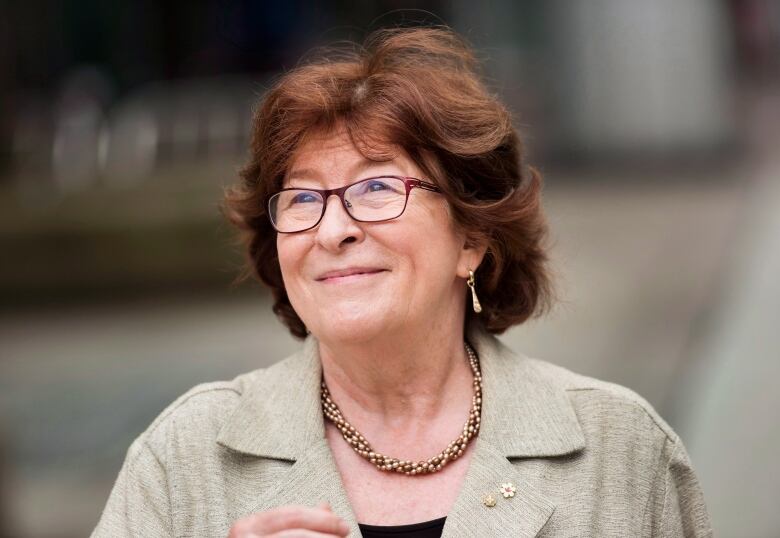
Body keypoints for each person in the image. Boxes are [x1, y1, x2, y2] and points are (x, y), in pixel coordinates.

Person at [91, 27, 712, 537]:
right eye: (303, 198)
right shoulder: (185, 456)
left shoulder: (619, 449)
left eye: (377, 188)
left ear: (471, 238)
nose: (332, 229)